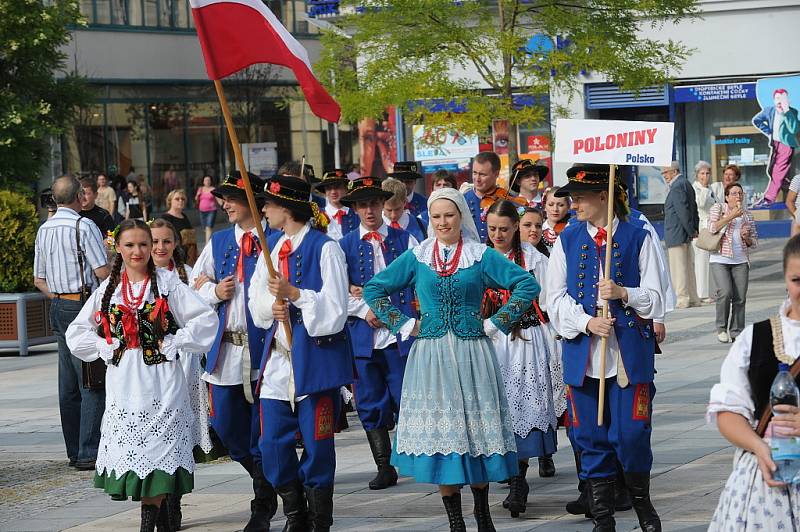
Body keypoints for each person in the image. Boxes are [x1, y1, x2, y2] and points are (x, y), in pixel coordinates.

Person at [364, 187, 540, 531]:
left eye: (449, 215)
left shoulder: (480, 254)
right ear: (429, 219)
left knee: (475, 434)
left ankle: (482, 514)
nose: (443, 222)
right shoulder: (419, 256)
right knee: (445, 437)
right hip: (430, 357)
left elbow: (526, 285)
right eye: (436, 216)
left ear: (461, 217)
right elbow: (374, 288)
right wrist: (404, 324)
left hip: (472, 353)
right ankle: (455, 521)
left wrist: (495, 323)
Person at [65, 219, 217, 531]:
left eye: (143, 244)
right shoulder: (110, 289)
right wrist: (104, 346)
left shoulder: (168, 283)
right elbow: (76, 333)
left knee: (161, 451)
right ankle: (161, 519)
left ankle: (149, 524)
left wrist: (177, 340)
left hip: (163, 380)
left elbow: (205, 319)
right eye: (130, 245)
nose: (138, 251)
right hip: (124, 382)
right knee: (138, 454)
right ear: (117, 248)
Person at [546, 164, 665, 532]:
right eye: (572, 197)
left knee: (630, 434)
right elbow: (554, 299)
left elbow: (659, 297)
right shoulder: (567, 240)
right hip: (585, 354)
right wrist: (586, 322)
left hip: (628, 354)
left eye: (580, 197)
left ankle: (643, 507)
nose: (574, 203)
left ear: (604, 196)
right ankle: (602, 518)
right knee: (589, 437)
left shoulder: (639, 235)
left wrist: (624, 293)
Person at [249, 175, 353, 531]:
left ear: (287, 208)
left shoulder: (326, 249)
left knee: (318, 443)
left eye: (269, 204)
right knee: (271, 442)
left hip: (316, 361)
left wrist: (297, 295)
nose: (263, 210)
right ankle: (295, 511)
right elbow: (255, 299)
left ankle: (319, 518)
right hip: (278, 360)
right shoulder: (270, 248)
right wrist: (269, 308)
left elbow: (337, 309)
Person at [188, 173, 278, 532]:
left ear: (253, 201)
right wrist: (214, 292)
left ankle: (264, 500)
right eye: (222, 197)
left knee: (263, 433)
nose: (224, 204)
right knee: (226, 428)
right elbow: (196, 283)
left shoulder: (274, 239)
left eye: (232, 197)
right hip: (226, 352)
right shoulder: (220, 240)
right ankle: (268, 482)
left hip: (265, 352)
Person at [707, 235, 800, 530]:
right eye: (797, 279)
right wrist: (759, 447)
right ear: (785, 279)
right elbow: (728, 412)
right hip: (769, 478)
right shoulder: (755, 337)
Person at [483, 200, 564, 518]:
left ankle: (519, 481)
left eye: (504, 229)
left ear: (516, 227)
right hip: (490, 341)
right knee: (498, 409)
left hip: (526, 340)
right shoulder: (480, 258)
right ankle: (507, 472)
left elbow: (548, 301)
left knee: (523, 407)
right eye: (492, 229)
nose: (497, 235)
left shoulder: (532, 258)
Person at [339, 177, 419, 491]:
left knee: (407, 397)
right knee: (369, 402)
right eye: (363, 204)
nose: (370, 210)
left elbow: (420, 282)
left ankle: (416, 457)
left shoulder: (406, 240)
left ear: (383, 205)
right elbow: (334, 294)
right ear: (355, 209)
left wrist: (393, 314)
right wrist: (364, 310)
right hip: (363, 337)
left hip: (400, 335)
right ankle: (384, 466)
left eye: (374, 203)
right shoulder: (342, 246)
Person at [33, 176, 110, 472]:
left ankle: (74, 449)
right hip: (81, 303)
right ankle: (88, 451)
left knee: (68, 383)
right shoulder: (83, 225)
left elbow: (38, 278)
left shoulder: (45, 228)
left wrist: (60, 297)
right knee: (91, 379)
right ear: (79, 195)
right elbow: (101, 271)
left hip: (58, 304)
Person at [708, 182, 758, 344]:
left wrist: (747, 237)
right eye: (735, 193)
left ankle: (737, 330)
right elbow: (712, 228)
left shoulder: (748, 215)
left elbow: (755, 242)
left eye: (740, 193)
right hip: (720, 258)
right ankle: (721, 328)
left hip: (740, 259)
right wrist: (731, 216)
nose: (738, 196)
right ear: (727, 197)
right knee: (725, 291)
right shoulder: (718, 208)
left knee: (740, 297)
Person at [663, 160, 700, 309]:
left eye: (665, 172)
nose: (664, 175)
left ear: (674, 171)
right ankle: (693, 297)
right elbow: (693, 208)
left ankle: (682, 298)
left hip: (677, 233)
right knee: (688, 268)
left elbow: (683, 211)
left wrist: (691, 230)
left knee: (679, 269)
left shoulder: (677, 186)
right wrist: (693, 229)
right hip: (684, 233)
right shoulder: (686, 183)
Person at [752, 88, 799, 206]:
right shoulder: (769, 111)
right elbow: (756, 120)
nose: (780, 101)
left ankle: (769, 198)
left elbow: (794, 129)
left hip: (787, 144)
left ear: (787, 100)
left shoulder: (792, 112)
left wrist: (786, 111)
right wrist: (768, 132)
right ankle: (790, 188)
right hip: (775, 144)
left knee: (778, 170)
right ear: (773, 100)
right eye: (778, 98)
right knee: (771, 170)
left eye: (783, 98)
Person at [692, 161, 717, 304]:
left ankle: (710, 291)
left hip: (711, 228)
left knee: (710, 262)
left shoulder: (710, 189)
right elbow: (700, 204)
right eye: (702, 173)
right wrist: (705, 189)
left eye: (707, 173)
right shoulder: (696, 189)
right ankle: (702, 293)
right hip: (701, 229)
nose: (705, 176)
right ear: (697, 175)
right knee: (701, 263)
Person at [463, 151, 502, 242]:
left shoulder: (506, 199)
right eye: (475, 173)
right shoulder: (462, 200)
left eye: (482, 174)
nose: (477, 179)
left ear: (496, 174)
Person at [313, 169, 359, 241]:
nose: (333, 192)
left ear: (346, 189)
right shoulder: (317, 215)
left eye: (337, 187)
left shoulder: (357, 214)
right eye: (328, 188)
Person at [382, 177, 427, 242]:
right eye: (389, 210)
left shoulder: (422, 226)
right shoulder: (373, 228)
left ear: (405, 202)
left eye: (397, 209)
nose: (393, 215)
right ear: (381, 204)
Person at [161, 188, 198, 266]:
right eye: (177, 199)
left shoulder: (184, 216)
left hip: (188, 256)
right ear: (170, 201)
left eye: (183, 199)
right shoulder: (166, 218)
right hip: (174, 257)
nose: (181, 201)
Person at [196, 175, 220, 246]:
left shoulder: (213, 189)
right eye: (206, 180)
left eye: (209, 180)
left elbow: (218, 199)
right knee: (205, 228)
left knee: (208, 227)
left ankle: (207, 244)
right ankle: (209, 240)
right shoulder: (200, 189)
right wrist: (197, 195)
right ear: (203, 182)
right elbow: (196, 199)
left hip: (212, 210)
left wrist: (223, 205)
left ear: (211, 181)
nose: (207, 182)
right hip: (202, 211)